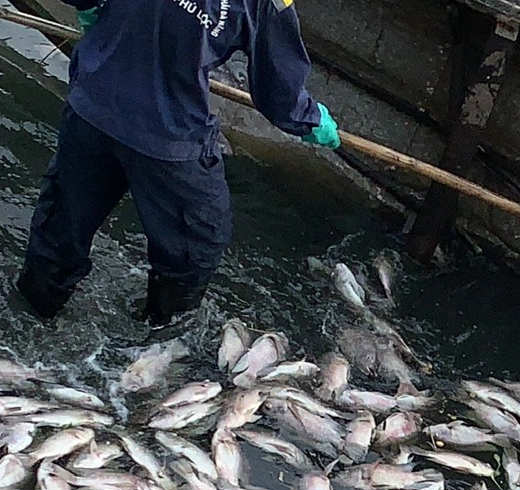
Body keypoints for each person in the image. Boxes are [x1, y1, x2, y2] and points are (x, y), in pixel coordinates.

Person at [14, 0, 340, 327]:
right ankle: (157, 339)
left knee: (59, 231)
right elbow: (278, 91)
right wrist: (310, 120)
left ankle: (30, 317)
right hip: (168, 137)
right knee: (196, 249)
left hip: (92, 105)